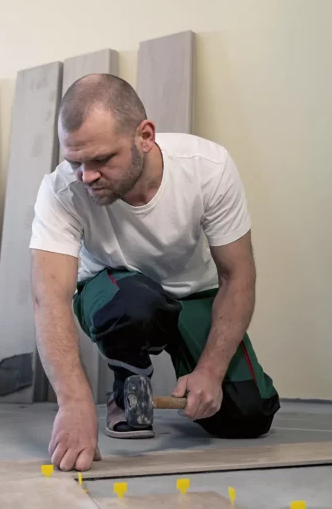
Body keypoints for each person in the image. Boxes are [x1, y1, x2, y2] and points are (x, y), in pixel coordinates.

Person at [29, 74, 279, 471]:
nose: (85, 176)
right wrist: (73, 402)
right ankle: (127, 382)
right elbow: (50, 297)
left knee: (248, 415)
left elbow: (238, 276)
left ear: (144, 136)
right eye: (75, 161)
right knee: (134, 303)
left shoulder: (208, 169)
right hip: (116, 290)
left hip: (194, 294)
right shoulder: (61, 191)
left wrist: (211, 372)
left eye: (102, 159)